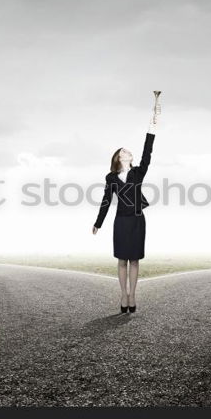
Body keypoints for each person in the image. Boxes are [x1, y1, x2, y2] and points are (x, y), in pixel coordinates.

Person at [92, 93, 161, 314]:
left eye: (129, 151)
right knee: (122, 260)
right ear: (118, 158)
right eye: (124, 151)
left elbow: (147, 152)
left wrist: (152, 127)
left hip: (137, 221)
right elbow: (105, 201)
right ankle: (123, 294)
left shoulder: (139, 172)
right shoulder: (111, 178)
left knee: (135, 260)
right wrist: (98, 223)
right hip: (120, 221)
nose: (127, 152)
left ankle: (133, 295)